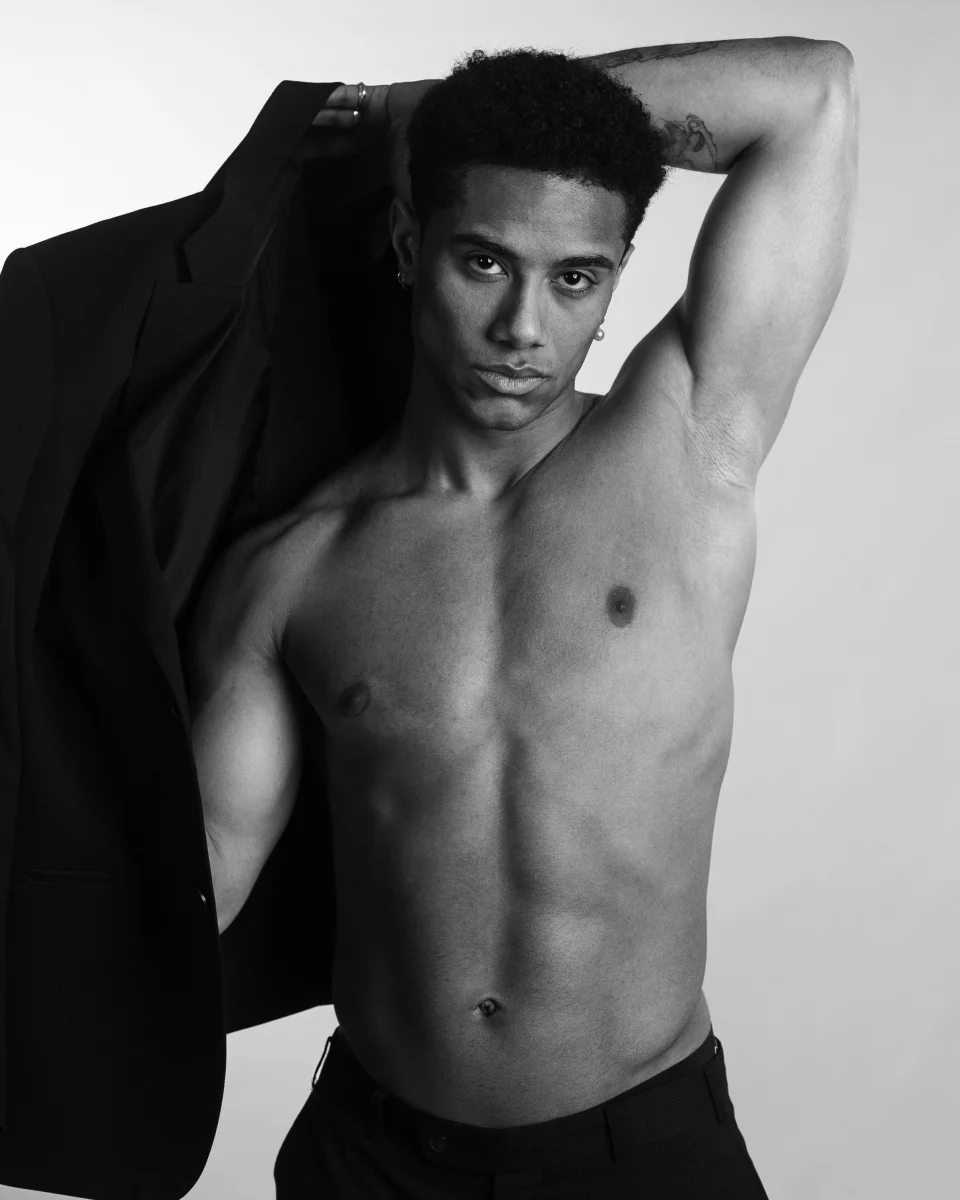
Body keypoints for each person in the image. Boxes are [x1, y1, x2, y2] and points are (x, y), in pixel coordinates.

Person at [186, 40, 859, 1199]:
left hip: (639, 1158)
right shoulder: (295, 568)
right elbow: (195, 883)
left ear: (614, 282)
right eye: (485, 261)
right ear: (412, 246)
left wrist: (425, 115)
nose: (522, 327)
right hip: (370, 1161)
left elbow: (812, 95)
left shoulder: (689, 447)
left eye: (576, 279)